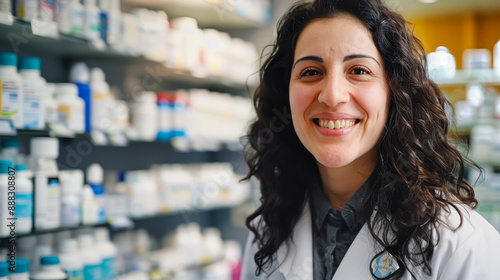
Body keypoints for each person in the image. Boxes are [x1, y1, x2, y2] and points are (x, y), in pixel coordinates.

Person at [240, 0, 500, 279]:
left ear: (394, 92)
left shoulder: (460, 245)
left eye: (359, 70)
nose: (332, 95)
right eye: (311, 72)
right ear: (286, 94)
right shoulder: (270, 229)